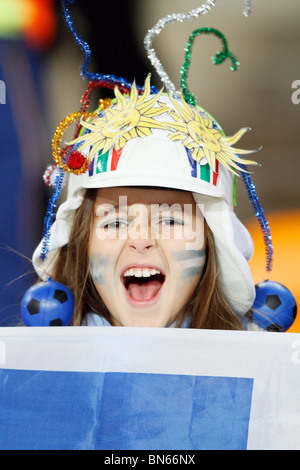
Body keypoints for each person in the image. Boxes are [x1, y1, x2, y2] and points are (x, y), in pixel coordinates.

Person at [32, 75, 263, 330]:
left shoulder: (259, 368)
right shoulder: (32, 368)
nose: (141, 240)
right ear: (81, 244)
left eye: (171, 219)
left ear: (213, 244)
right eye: (115, 222)